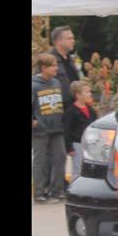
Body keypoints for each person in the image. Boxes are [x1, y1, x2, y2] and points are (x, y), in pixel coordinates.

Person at [32, 54, 66, 203]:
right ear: (43, 68)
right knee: (40, 161)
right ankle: (39, 192)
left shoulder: (56, 83)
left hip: (57, 128)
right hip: (41, 130)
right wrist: (35, 122)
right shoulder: (34, 85)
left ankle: (57, 191)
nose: (56, 67)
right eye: (53, 65)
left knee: (60, 157)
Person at [64, 80, 97, 183]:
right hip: (77, 144)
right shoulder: (71, 111)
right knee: (78, 169)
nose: (90, 94)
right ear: (78, 95)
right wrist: (69, 147)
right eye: (87, 92)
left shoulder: (91, 110)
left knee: (89, 168)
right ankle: (74, 189)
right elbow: (67, 131)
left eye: (90, 91)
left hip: (90, 143)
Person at [50, 26, 81, 107]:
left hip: (75, 106)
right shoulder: (48, 60)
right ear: (58, 41)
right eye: (69, 39)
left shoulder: (71, 59)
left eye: (73, 38)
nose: (73, 41)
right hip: (59, 107)